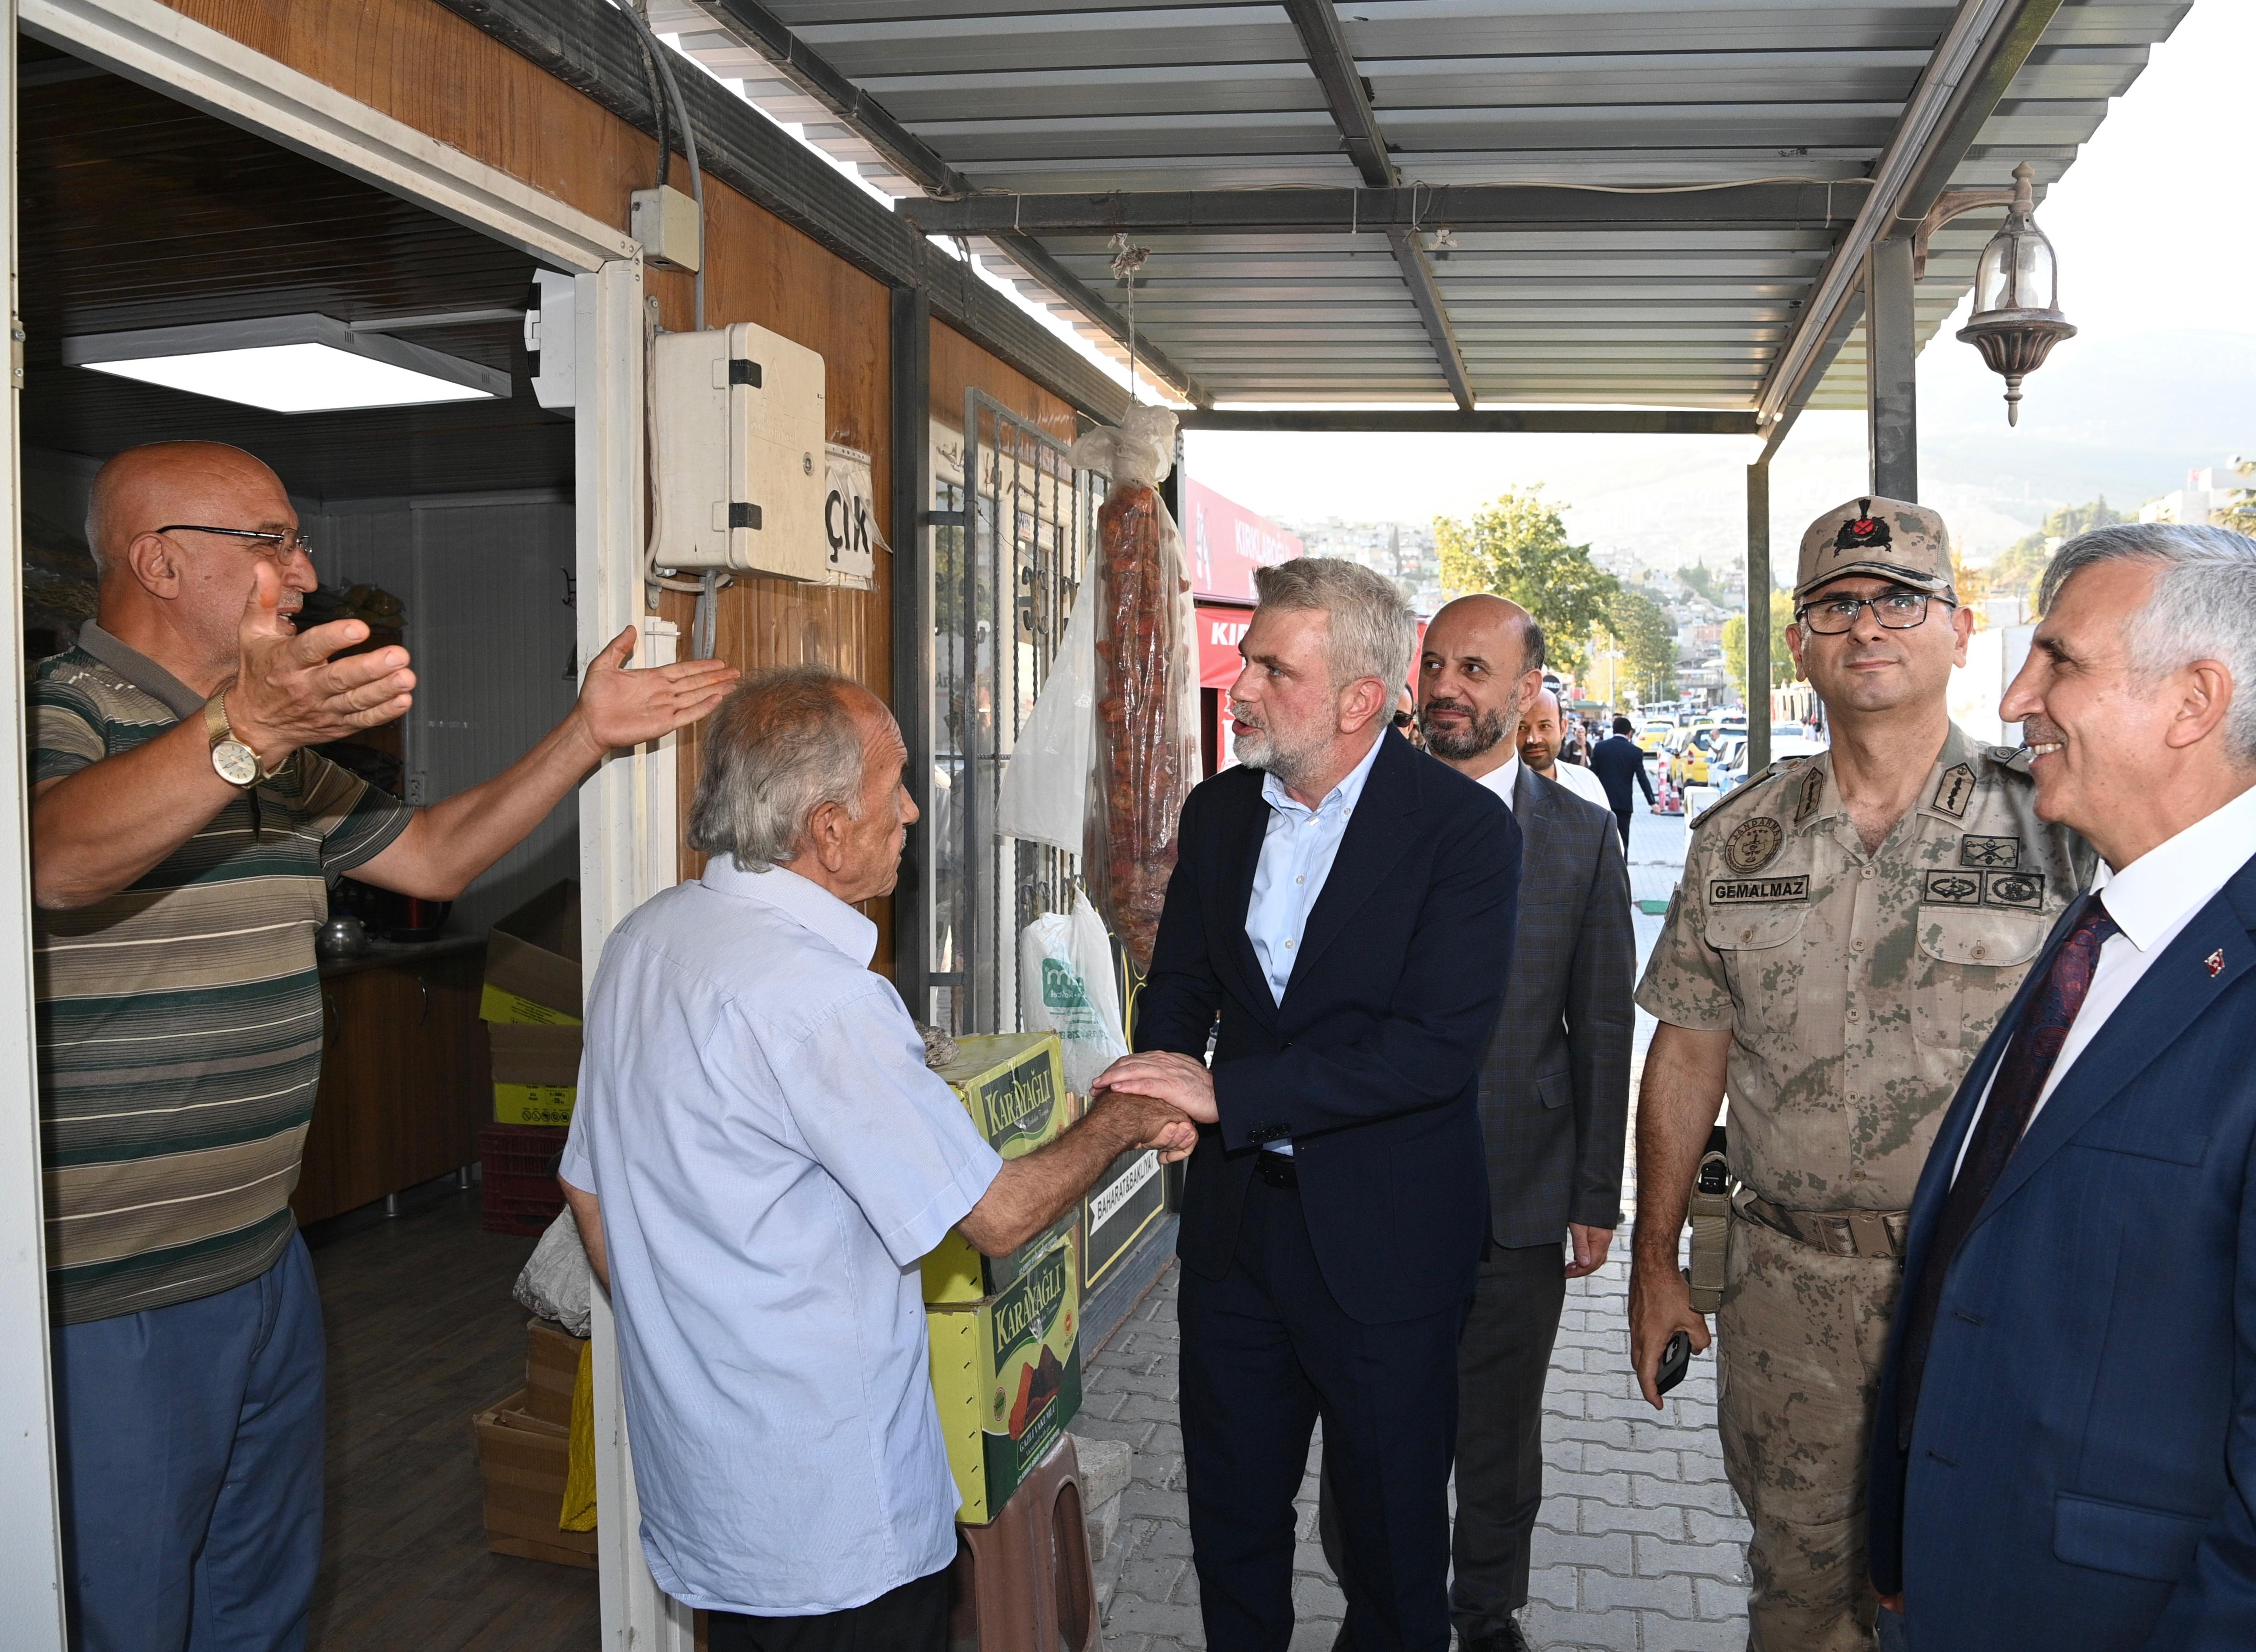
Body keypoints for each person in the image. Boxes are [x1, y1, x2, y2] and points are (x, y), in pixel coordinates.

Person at [32, 440, 739, 1650]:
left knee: (257, 1606)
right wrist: (242, 733)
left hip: (261, 1262)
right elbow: (53, 858)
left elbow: (433, 857)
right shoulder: (59, 709)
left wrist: (586, 734)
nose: (303, 571)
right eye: (272, 540)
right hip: (111, 1297)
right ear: (160, 559)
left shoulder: (268, 749)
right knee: (125, 1616)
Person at [556, 668, 1194, 1651]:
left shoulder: (647, 939)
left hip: (710, 1485)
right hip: (833, 1524)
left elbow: (585, 1188)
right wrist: (1126, 1115)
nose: (908, 809)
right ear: (826, 829)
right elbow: (1000, 1215)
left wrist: (698, 1340)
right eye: (893, 785)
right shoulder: (821, 1001)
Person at [1627, 496, 2092, 1652]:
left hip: (1986, 1296)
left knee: (1977, 1596)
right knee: (1796, 1599)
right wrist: (1652, 1260)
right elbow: (1687, 1047)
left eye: (1899, 599)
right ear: (1796, 645)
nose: (1866, 625)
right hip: (1786, 1292)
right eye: (1834, 604)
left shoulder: (2057, 826)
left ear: (1955, 626)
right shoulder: (1739, 839)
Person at [1094, 558, 1520, 1652]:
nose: (1237, 686)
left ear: (1357, 699)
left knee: (1387, 1549)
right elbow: (1183, 981)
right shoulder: (1220, 809)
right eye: (1245, 657)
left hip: (1387, 1242)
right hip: (1236, 1233)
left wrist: (1222, 1090)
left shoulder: (1462, 833)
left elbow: (1431, 1050)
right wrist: (1158, 1073)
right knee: (1230, 1525)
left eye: (1270, 667)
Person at [1871, 524, 2256, 1649]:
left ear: (2192, 700)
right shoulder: (2102, 921)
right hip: (1957, 1574)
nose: (2011, 697)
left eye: (2057, 660)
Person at [1312, 593, 1634, 1652]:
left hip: (1517, 1196)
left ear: (1526, 691)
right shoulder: (1340, 816)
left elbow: (1596, 1023)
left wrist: (1595, 1193)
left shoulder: (1580, 837)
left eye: (1476, 669)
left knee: (1496, 1436)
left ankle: (1485, 1611)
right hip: (1366, 1192)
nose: (1447, 686)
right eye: (1434, 664)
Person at [1519, 687, 1611, 812]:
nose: (1534, 739)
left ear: (1563, 729)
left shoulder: (1587, 782)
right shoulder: (1494, 793)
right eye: (1522, 728)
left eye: (1545, 726)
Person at [1586, 715, 1655, 850]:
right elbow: (1642, 778)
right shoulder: (1635, 752)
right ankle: (1623, 870)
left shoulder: (1600, 748)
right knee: (1623, 842)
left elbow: (1591, 774)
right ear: (1629, 733)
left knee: (1602, 843)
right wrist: (1652, 802)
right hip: (1624, 804)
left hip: (1603, 803)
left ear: (1613, 730)